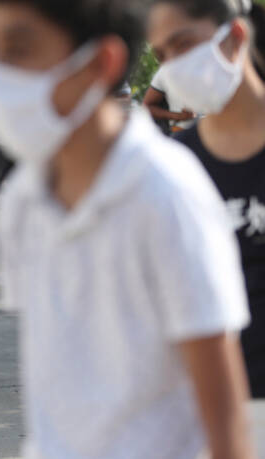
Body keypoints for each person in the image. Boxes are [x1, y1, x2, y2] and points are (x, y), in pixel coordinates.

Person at [0, 0, 255, 458]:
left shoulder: (166, 193)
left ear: (101, 61)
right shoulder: (22, 204)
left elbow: (224, 411)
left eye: (20, 49)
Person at [150, 0, 265, 400]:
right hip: (212, 405)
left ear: (235, 36)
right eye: (162, 54)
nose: (173, 67)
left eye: (183, 45)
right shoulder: (175, 164)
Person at [143, 68, 198, 133]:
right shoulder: (165, 72)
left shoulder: (209, 67)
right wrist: (178, 116)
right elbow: (146, 107)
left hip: (209, 129)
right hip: (181, 131)